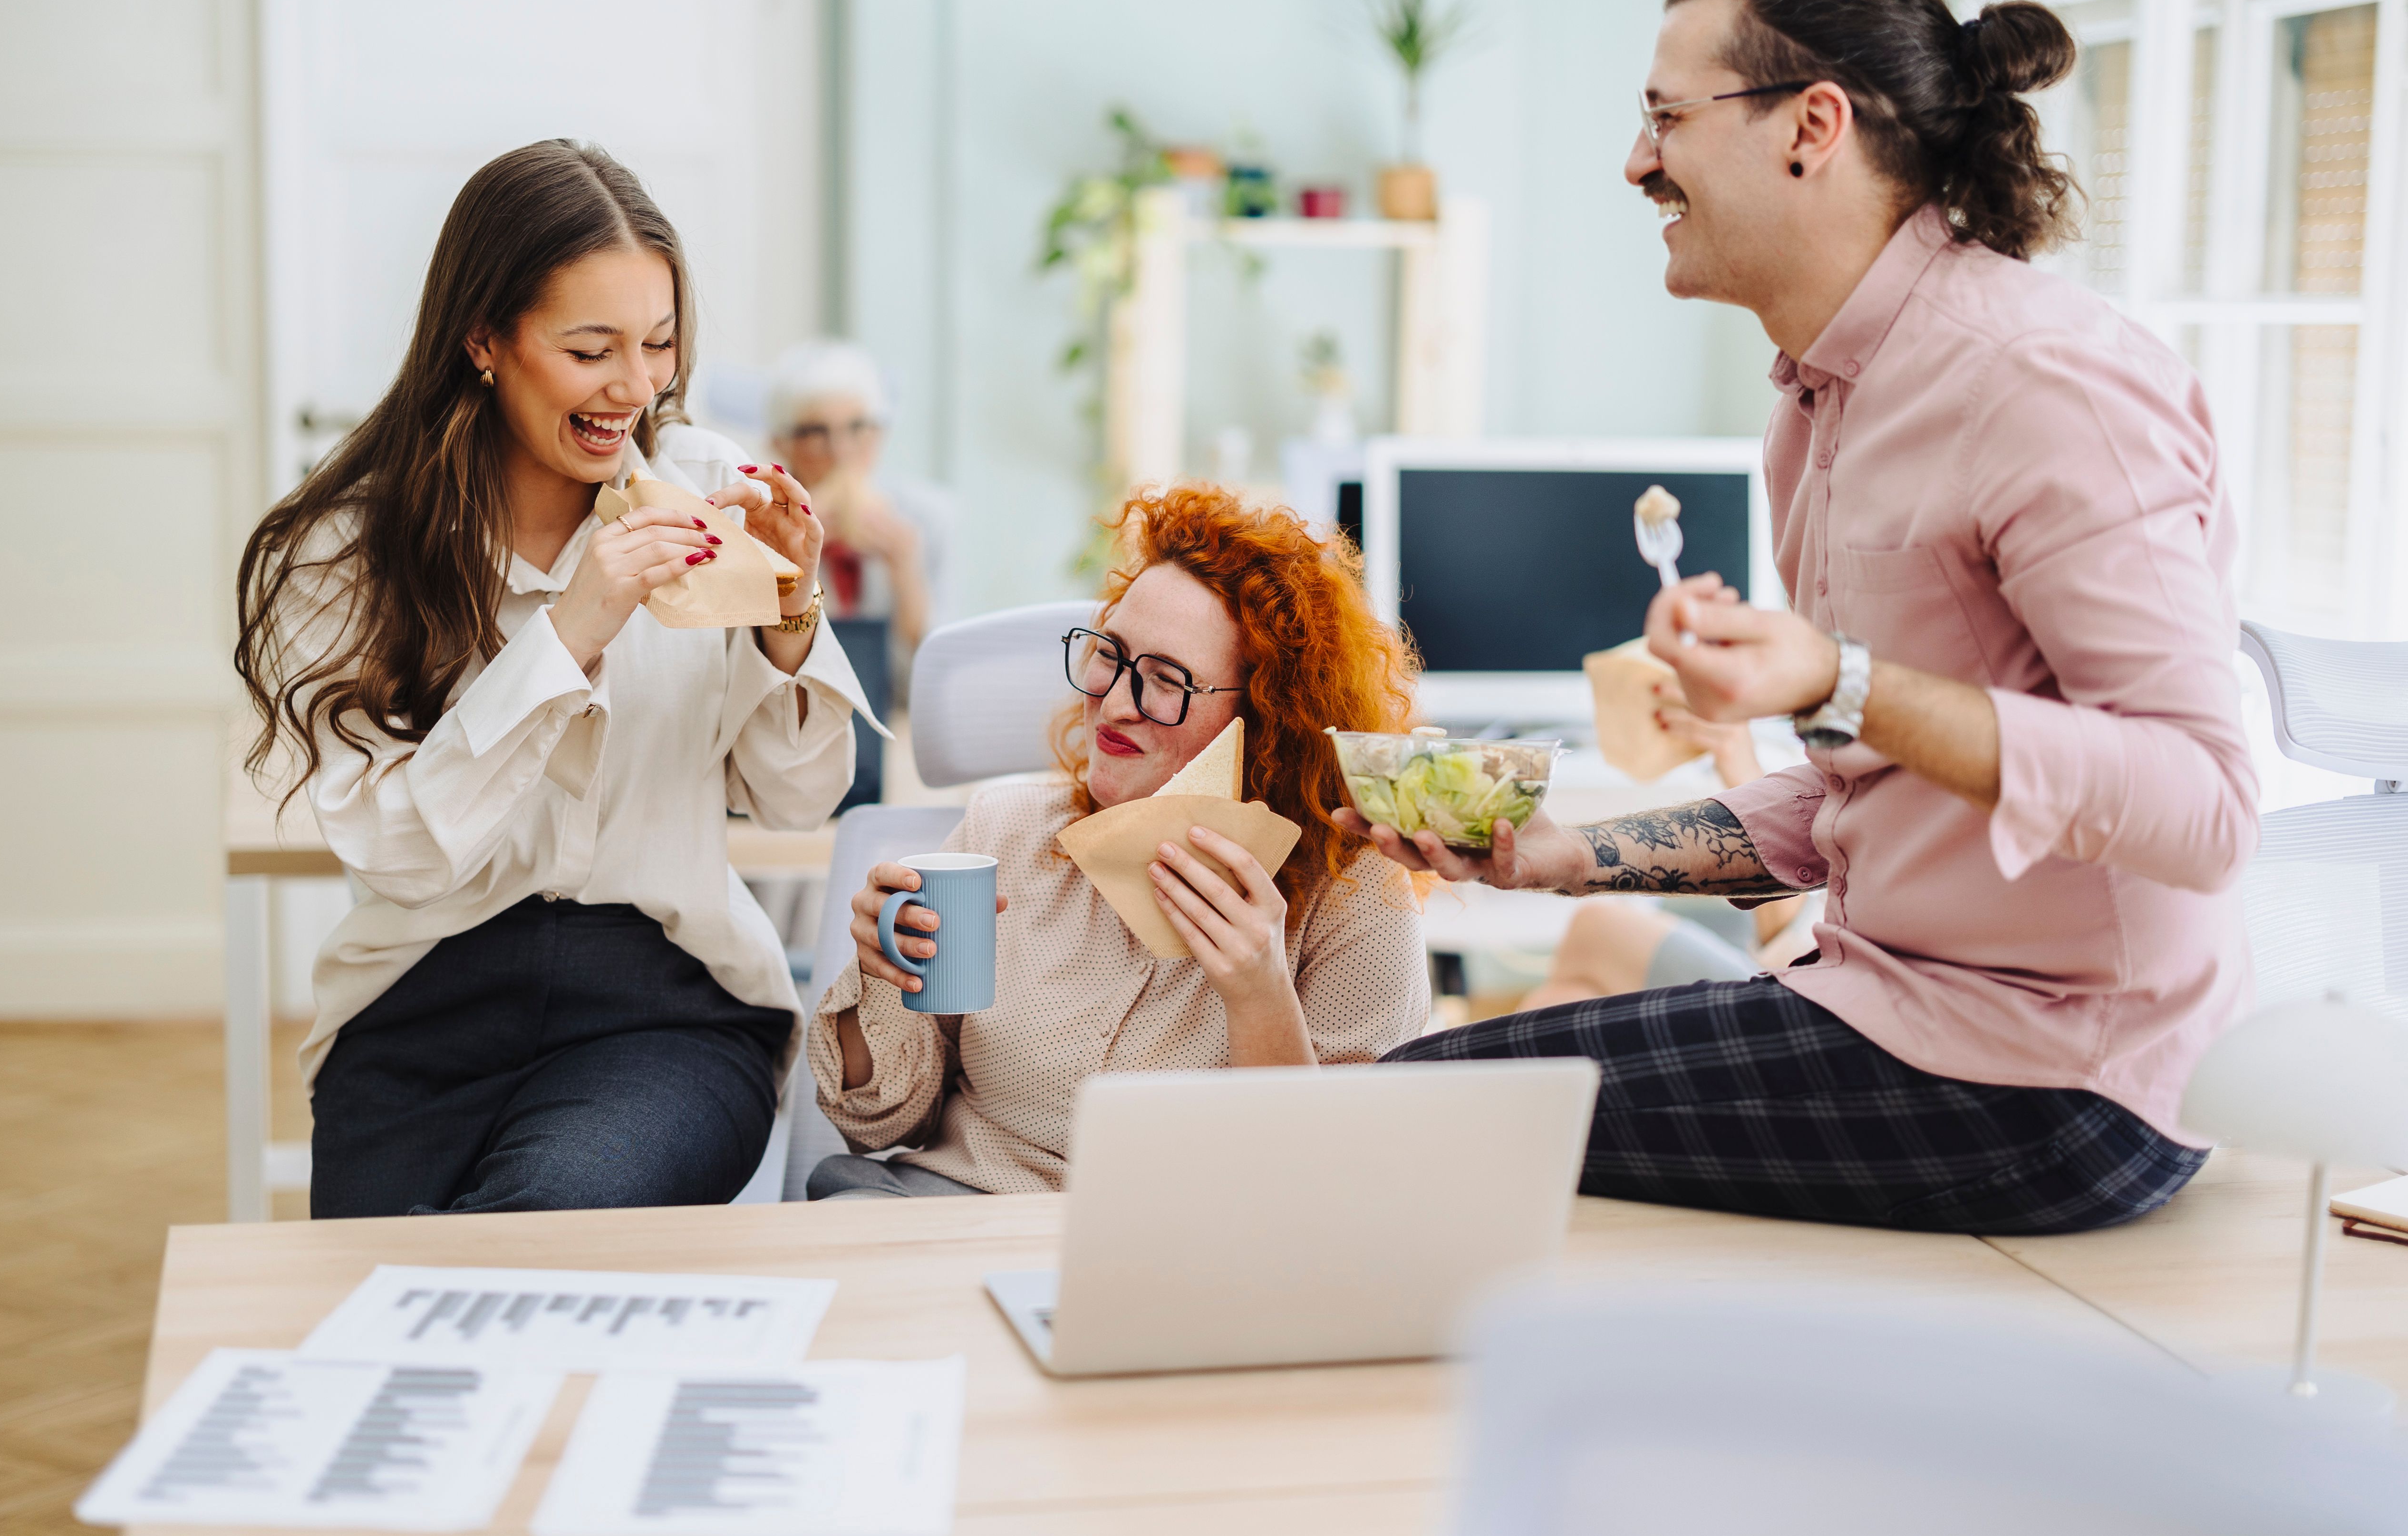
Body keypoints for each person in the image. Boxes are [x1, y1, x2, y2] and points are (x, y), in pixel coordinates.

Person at [1344, 0, 2256, 1236]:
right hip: (1889, 1001)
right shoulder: (1818, 408)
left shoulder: (2041, 387)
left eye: (1666, 116)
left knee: (1400, 1116)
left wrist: (1845, 680)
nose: (1636, 160)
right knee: (1457, 1089)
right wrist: (1561, 860)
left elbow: (2207, 806)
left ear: (1810, 127)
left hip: (2060, 1079)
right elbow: (1860, 803)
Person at [235, 140, 871, 1219]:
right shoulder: (345, 550)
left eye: (661, 344)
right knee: (382, 1293)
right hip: (417, 1006)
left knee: (537, 1228)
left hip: (667, 1006)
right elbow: (401, 853)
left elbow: (800, 798)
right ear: (484, 338)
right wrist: (571, 630)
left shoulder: (707, 492)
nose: (637, 387)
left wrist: (789, 609)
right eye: (591, 350)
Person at [806, 483, 1432, 1198]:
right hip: (952, 1216)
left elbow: (1329, 1188)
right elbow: (879, 1123)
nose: (1115, 701)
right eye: (1110, 653)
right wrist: (882, 976)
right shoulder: (1002, 832)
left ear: (1267, 719)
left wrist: (1259, 994)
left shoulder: (1356, 891)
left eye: (1165, 680)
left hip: (1185, 1254)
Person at [1521, 700, 1815, 1010]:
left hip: (1809, 1000)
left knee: (1596, 927)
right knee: (1562, 998)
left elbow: (1790, 953)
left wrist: (1737, 761)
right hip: (1795, 982)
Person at [765, 339, 956, 658]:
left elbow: (940, 672)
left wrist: (907, 573)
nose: (841, 452)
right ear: (782, 444)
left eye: (857, 428)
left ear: (880, 434)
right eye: (817, 432)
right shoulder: (760, 525)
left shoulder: (927, 518)